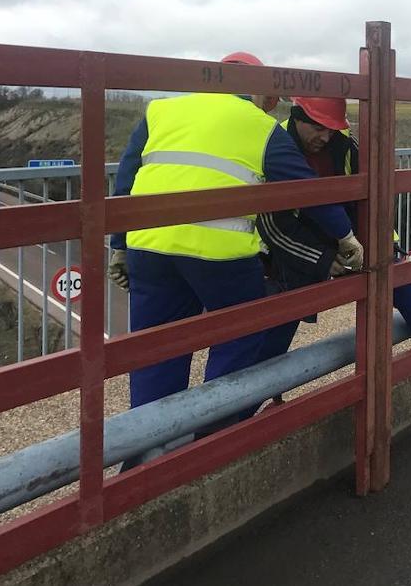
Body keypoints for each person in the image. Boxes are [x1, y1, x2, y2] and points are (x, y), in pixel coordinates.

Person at [106, 52, 364, 415]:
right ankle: (218, 432)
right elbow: (305, 190)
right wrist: (345, 235)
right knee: (240, 336)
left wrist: (118, 246)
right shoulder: (260, 126)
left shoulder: (161, 111)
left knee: (156, 348)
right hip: (219, 255)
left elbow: (126, 182)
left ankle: (150, 450)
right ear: (256, 91)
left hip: (149, 248)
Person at [252, 95, 411, 364]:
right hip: (292, 241)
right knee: (285, 311)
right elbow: (273, 225)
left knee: (390, 268)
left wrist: (374, 243)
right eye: (319, 129)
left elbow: (366, 196)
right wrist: (321, 259)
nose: (326, 137)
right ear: (298, 118)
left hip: (339, 229)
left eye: (331, 130)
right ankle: (252, 388)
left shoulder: (343, 143)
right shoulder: (278, 145)